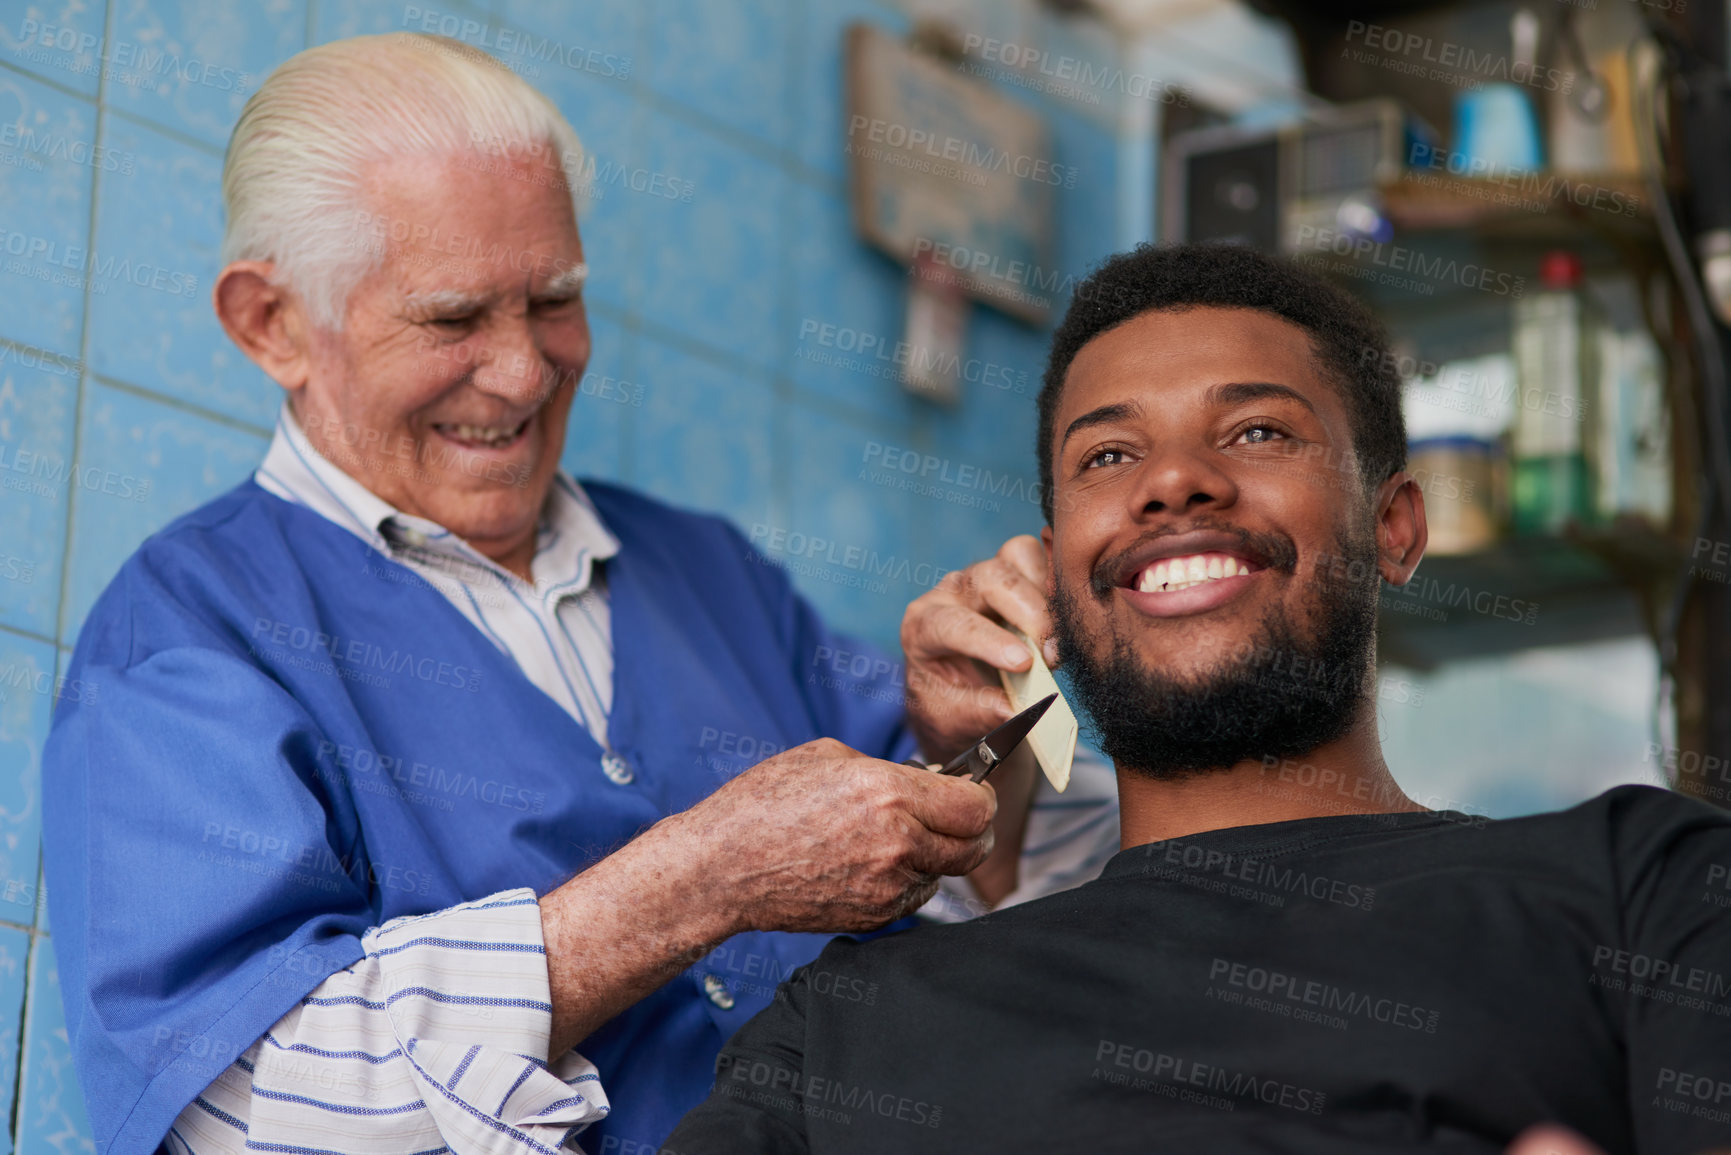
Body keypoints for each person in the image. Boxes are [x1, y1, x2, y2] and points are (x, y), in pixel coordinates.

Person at [39, 33, 1119, 1155]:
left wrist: (968, 755)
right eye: (453, 317)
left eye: (554, 300)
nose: (522, 369)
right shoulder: (187, 633)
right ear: (270, 323)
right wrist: (702, 878)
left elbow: (977, 912)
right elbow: (244, 1110)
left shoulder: (708, 572)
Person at [665, 242, 1731, 1155]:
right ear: (1055, 573)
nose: (1174, 482)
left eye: (1257, 432)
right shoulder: (845, 1032)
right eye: (1111, 454)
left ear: (1395, 528)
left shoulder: (1645, 888)